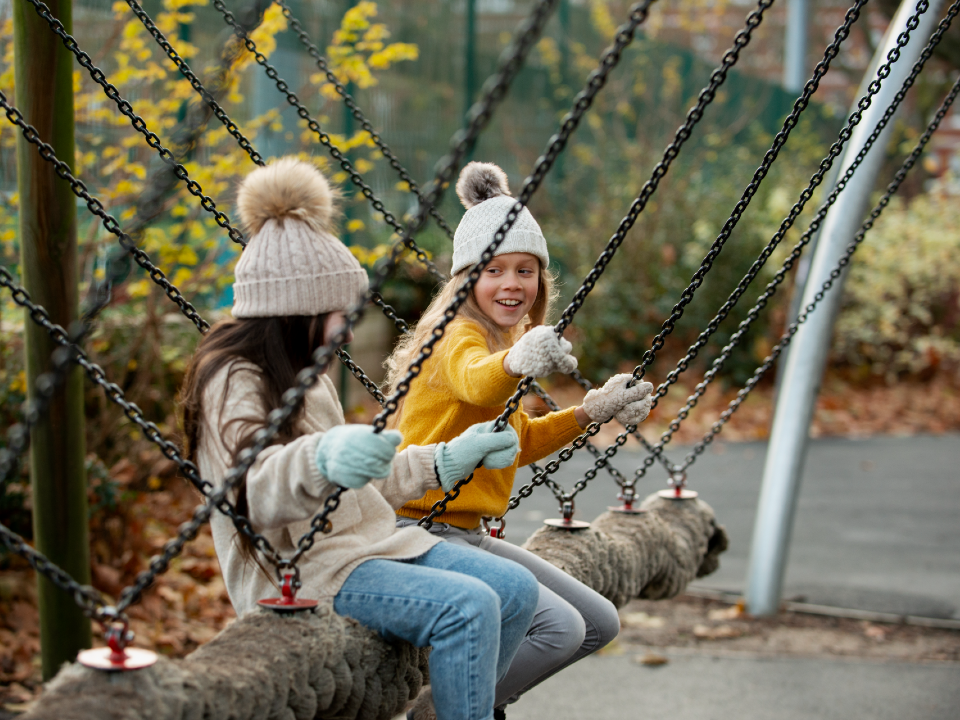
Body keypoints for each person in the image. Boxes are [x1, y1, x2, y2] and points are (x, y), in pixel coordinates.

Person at [180, 157, 541, 720]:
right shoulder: (234, 381)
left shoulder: (309, 372)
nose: (350, 329)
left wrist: (448, 460)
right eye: (339, 314)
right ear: (295, 311)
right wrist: (323, 455)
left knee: (514, 591)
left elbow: (361, 478)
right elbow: (252, 488)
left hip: (367, 545)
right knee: (469, 608)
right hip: (303, 568)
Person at [385, 161, 655, 715]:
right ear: (468, 279)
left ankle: (453, 702)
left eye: (525, 271)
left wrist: (593, 410)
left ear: (540, 281)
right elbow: (477, 383)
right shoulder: (455, 336)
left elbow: (519, 440)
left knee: (596, 624)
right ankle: (447, 711)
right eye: (495, 270)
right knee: (558, 629)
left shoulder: (506, 338)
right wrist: (514, 360)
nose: (512, 284)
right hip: (413, 529)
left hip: (464, 531)